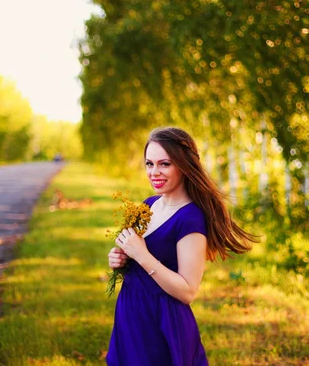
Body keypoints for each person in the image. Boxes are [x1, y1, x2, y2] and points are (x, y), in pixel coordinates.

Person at [106, 126, 258, 366]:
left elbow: (188, 291)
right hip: (131, 314)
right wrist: (121, 258)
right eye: (149, 164)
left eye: (164, 164)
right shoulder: (148, 205)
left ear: (184, 166)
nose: (154, 172)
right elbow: (135, 256)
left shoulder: (190, 218)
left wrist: (142, 255)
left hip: (161, 321)